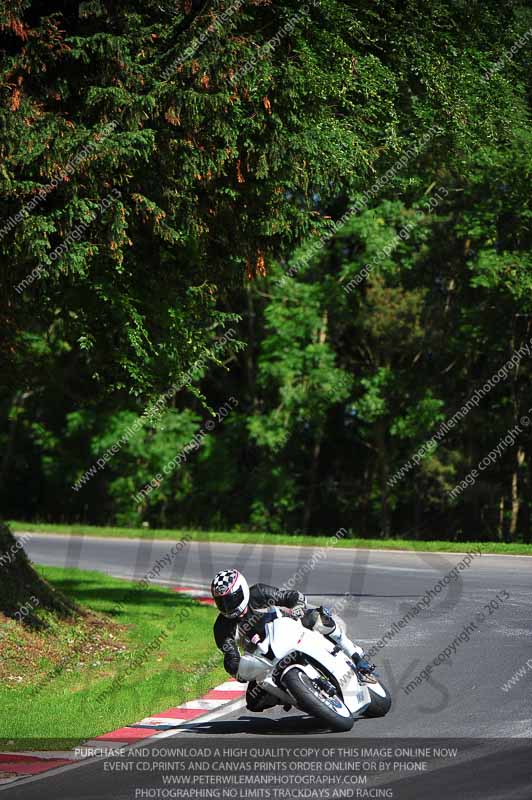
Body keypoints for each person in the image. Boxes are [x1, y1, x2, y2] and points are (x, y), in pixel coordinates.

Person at [211, 568, 375, 712]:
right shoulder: (221, 628)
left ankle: (355, 655)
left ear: (242, 590)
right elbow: (231, 656)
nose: (228, 606)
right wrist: (235, 666)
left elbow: (290, 596)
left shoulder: (258, 593)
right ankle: (294, 695)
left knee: (317, 617)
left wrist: (297, 607)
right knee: (254, 701)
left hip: (290, 631)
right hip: (264, 659)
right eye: (222, 602)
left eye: (231, 599)